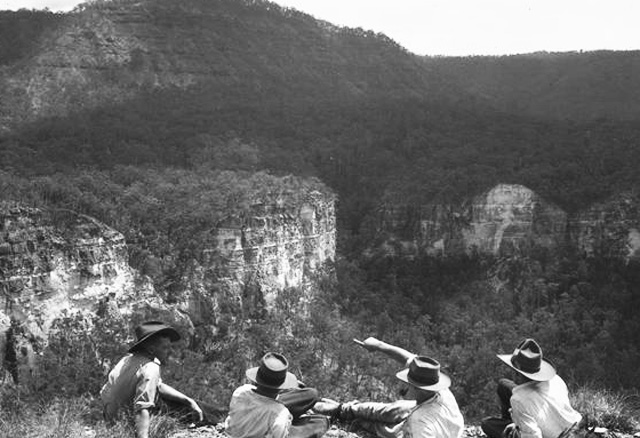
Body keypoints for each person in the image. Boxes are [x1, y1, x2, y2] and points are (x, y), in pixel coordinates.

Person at [314, 337, 464, 438]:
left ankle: (350, 419)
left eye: (409, 385)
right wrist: (379, 345)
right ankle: (345, 409)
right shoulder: (440, 391)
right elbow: (408, 358)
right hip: (436, 421)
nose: (405, 387)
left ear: (420, 389)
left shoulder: (420, 424)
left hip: (423, 430)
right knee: (395, 409)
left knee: (386, 429)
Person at [100, 320, 204, 438]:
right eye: (165, 347)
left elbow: (157, 386)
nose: (170, 351)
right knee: (188, 409)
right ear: (151, 349)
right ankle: (216, 421)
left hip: (112, 421)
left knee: (185, 402)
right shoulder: (150, 368)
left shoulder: (128, 359)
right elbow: (142, 408)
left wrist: (188, 400)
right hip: (126, 422)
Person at [481, 338, 583, 438]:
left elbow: (533, 436)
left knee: (487, 424)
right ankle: (519, 420)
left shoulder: (519, 400)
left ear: (518, 375)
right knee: (503, 385)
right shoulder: (556, 379)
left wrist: (518, 430)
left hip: (556, 435)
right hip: (575, 426)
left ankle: (518, 423)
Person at [225, 352, 330, 438]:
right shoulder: (279, 413)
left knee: (312, 394)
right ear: (281, 388)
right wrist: (287, 421)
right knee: (321, 421)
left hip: (243, 430)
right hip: (271, 428)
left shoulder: (241, 392)